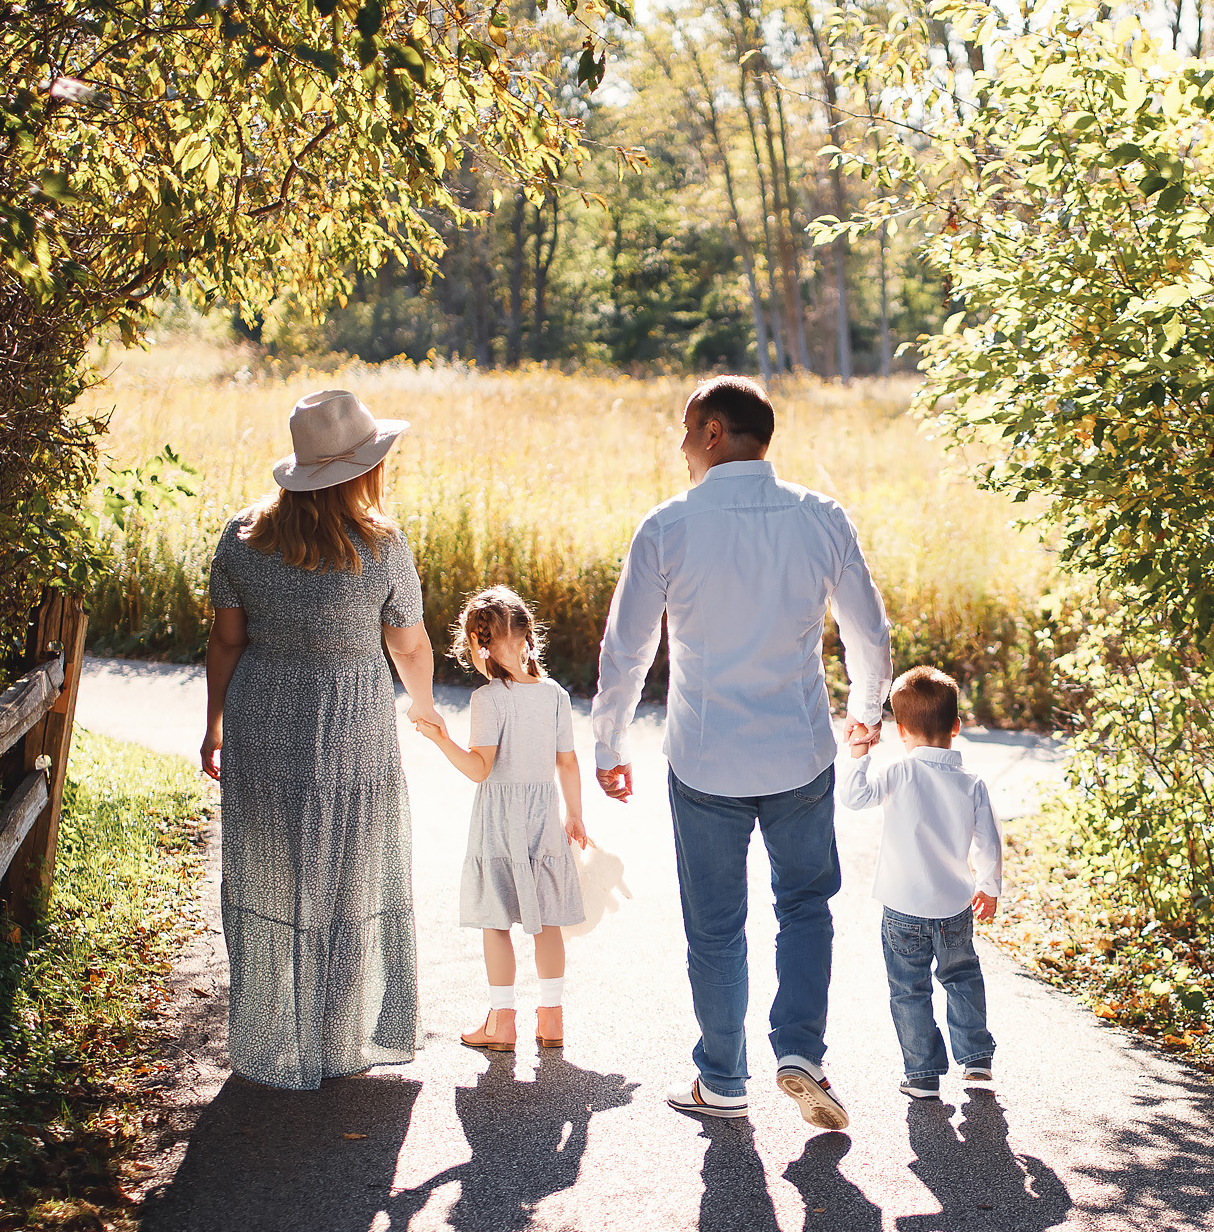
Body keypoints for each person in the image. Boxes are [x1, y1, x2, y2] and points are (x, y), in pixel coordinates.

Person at [587, 375, 890, 1129]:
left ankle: (722, 1080)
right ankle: (802, 1055)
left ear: (715, 430)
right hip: (799, 753)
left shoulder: (667, 525)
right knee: (806, 906)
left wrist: (608, 741)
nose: (682, 446)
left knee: (716, 923)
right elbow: (869, 635)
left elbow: (626, 650)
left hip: (704, 757)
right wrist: (865, 712)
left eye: (687, 431)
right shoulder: (821, 517)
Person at [200, 389, 445, 1089]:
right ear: (362, 469)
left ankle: (274, 1033)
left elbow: (225, 640)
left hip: (264, 713)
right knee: (348, 872)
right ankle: (338, 1038)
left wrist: (213, 722)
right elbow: (410, 644)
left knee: (274, 870)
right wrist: (424, 708)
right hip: (351, 721)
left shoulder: (243, 536)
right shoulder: (382, 544)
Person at [408, 585, 591, 1053]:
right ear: (528, 634)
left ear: (479, 644)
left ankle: (502, 1020)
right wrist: (575, 815)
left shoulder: (488, 699)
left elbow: (479, 768)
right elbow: (567, 762)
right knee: (548, 920)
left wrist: (439, 738)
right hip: (544, 817)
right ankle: (551, 1018)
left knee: (497, 921)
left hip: (500, 819)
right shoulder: (555, 695)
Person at [839, 666, 1004, 1101]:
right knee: (962, 977)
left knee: (908, 991)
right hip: (954, 907)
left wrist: (858, 754)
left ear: (901, 730)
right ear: (956, 727)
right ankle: (976, 1060)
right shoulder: (972, 784)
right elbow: (989, 842)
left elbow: (854, 799)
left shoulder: (899, 773)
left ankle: (922, 1075)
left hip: (902, 909)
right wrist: (988, 886)